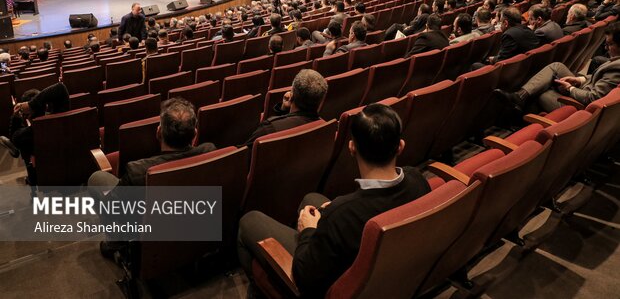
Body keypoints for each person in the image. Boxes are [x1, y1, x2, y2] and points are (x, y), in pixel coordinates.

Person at [237, 103, 431, 298]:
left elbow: (304, 278)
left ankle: (262, 291)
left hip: (323, 283)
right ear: (400, 146)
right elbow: (371, 205)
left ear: (352, 147)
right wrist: (337, 209)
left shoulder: (342, 215)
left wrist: (309, 231)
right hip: (387, 269)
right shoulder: (418, 180)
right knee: (311, 199)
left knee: (249, 221)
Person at [89, 98, 216, 188]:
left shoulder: (137, 172)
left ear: (159, 132)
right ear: (195, 134)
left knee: (97, 177)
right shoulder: (210, 152)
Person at [496, 22, 620, 112]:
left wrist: (570, 88)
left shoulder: (616, 68)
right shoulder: (615, 62)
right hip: (586, 86)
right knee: (556, 66)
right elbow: (599, 79)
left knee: (542, 91)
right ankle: (520, 96)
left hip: (580, 106)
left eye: (610, 44)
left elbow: (593, 98)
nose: (606, 48)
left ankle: (517, 112)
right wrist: (580, 80)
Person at [2, 83, 70, 186]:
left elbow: (14, 138)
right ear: (45, 105)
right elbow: (61, 88)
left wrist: (15, 117)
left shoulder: (25, 135)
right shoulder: (61, 117)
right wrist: (32, 104)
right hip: (69, 169)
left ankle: (31, 179)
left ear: (26, 113)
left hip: (45, 179)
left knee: (21, 148)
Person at [242, 69, 327, 148]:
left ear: (291, 96)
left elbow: (243, 153)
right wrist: (283, 110)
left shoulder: (268, 129)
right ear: (321, 101)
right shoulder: (326, 129)